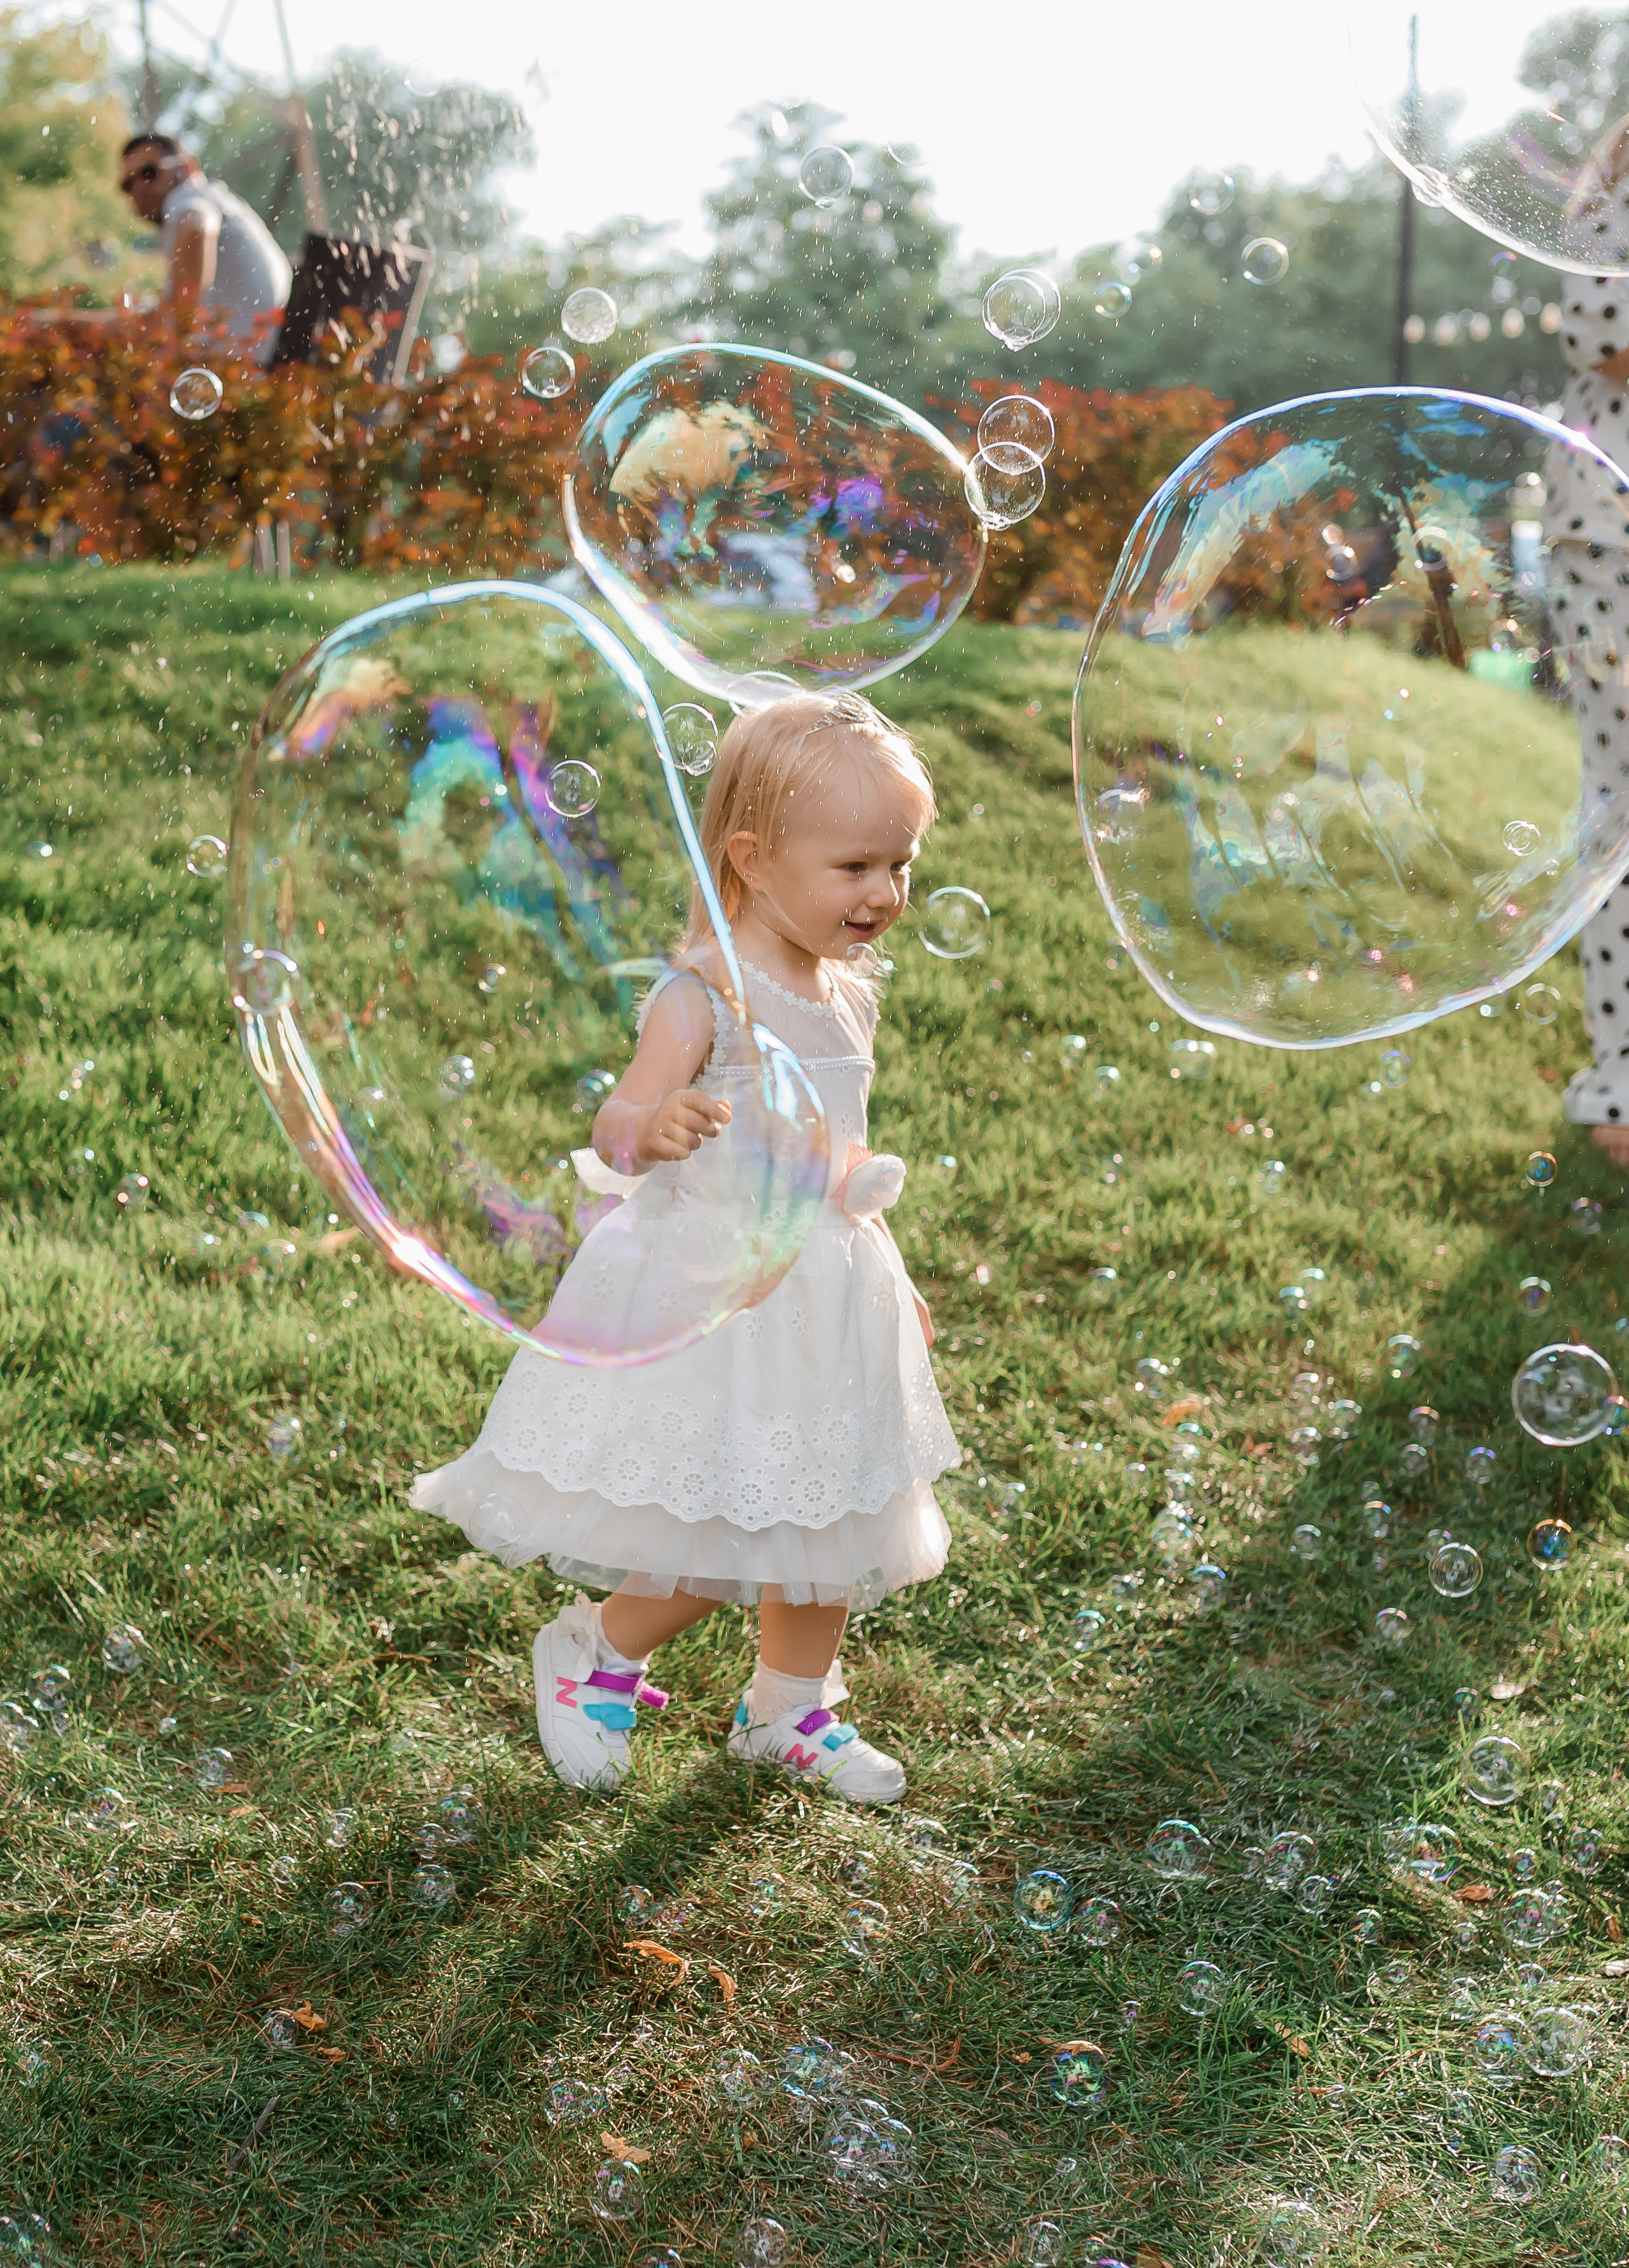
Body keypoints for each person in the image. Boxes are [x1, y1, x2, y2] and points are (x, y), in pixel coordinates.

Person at [411, 690, 961, 1805]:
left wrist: (889, 1275)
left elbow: (831, 1148)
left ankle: (789, 1711)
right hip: (712, 1291)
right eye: (855, 866)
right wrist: (648, 1130)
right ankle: (595, 1657)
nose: (885, 894)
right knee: (716, 1519)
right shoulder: (704, 996)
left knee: (826, 1516)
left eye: (900, 865)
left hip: (823, 1291)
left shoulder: (847, 990)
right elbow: (621, 1121)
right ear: (752, 860)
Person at [118, 134, 292, 361]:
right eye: (128, 185)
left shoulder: (187, 195)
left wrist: (180, 324)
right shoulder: (220, 200)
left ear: (187, 167)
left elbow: (195, 227)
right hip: (257, 365)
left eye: (150, 173)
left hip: (237, 374)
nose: (139, 188)